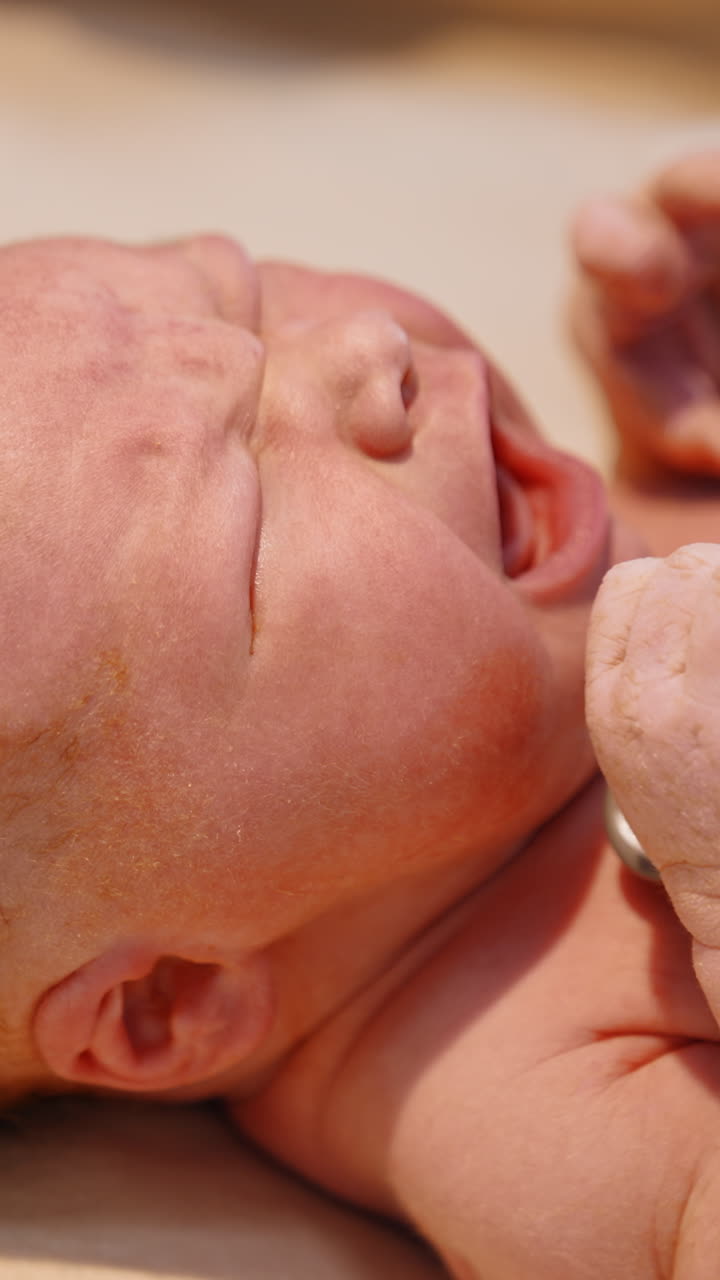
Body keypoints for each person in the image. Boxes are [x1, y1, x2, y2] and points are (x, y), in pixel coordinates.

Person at [2, 147, 720, 1279]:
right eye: (255, 518)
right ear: (170, 999)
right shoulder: (525, 1097)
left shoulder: (533, 654)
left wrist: (679, 461)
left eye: (242, 296)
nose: (366, 349)